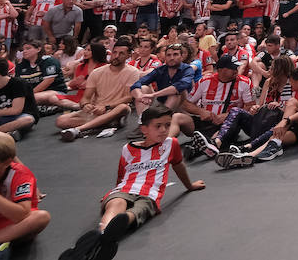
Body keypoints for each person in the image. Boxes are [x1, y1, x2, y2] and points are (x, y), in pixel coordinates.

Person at [61, 103, 204, 260]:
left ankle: (113, 228)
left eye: (167, 125)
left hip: (149, 194)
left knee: (139, 210)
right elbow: (122, 175)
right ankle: (101, 234)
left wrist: (190, 186)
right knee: (116, 204)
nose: (164, 130)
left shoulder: (171, 144)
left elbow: (178, 166)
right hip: (125, 189)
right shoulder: (128, 148)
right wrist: (113, 195)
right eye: (158, 126)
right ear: (144, 129)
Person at [57, 38, 139, 141]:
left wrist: (106, 106)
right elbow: (85, 98)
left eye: (121, 53)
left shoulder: (133, 72)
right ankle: (106, 122)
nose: (116, 56)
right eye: (115, 52)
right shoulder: (97, 72)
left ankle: (78, 129)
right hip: (96, 110)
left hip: (114, 108)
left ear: (128, 56)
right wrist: (86, 105)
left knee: (123, 107)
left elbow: (128, 97)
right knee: (60, 120)